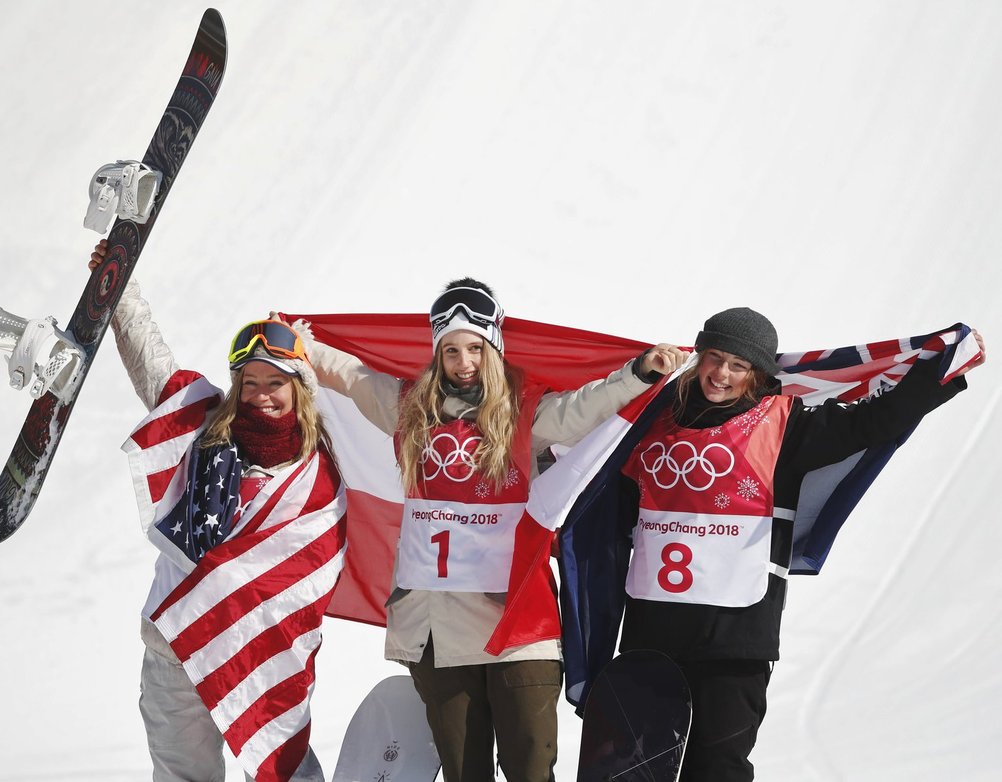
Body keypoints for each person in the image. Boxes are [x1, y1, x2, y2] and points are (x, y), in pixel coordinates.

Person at [296, 278, 677, 782]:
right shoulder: (410, 408)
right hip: (436, 626)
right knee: (464, 771)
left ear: (494, 347)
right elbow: (352, 375)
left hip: (516, 624)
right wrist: (300, 344)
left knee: (530, 767)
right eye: (450, 350)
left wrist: (638, 373)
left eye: (475, 347)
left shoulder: (525, 412)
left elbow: (582, 409)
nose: (463, 362)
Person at [610, 307, 986, 782]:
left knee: (718, 769)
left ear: (757, 374)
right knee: (634, 771)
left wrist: (942, 373)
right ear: (699, 355)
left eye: (738, 365)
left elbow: (872, 422)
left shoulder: (784, 424)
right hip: (653, 634)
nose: (721, 374)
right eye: (714, 357)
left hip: (733, 642)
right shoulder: (653, 419)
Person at [90, 241, 340, 782]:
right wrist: (119, 286)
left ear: (300, 390)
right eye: (250, 382)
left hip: (264, 657)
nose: (261, 395)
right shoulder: (204, 432)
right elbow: (152, 367)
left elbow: (388, 411)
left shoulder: (322, 475)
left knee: (288, 774)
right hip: (175, 649)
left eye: (276, 383)